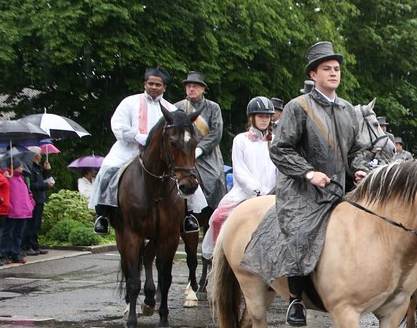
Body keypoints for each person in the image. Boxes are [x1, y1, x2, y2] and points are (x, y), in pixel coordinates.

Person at [241, 41, 371, 326]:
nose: (334, 73)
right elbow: (280, 149)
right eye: (327, 69)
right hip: (301, 190)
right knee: (300, 231)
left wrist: (359, 169)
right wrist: (308, 173)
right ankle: (296, 299)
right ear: (313, 75)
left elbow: (359, 149)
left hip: (339, 187)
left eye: (337, 69)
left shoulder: (349, 110)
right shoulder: (297, 107)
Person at [91, 67, 204, 234]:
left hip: (160, 157)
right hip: (128, 150)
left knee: (188, 177)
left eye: (158, 84)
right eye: (150, 83)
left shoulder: (171, 109)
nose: (154, 87)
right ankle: (103, 215)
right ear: (145, 84)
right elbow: (118, 126)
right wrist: (137, 136)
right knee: (108, 170)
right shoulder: (129, 102)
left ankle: (188, 216)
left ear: (164, 87)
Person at [201, 97, 278, 263]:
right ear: (252, 117)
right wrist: (259, 191)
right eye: (261, 116)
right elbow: (240, 172)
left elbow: (280, 169)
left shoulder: (276, 141)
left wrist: (274, 191)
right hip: (244, 193)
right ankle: (219, 258)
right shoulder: (241, 140)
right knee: (217, 218)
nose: (264, 119)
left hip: (273, 194)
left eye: (267, 116)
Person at [176, 71, 227, 228]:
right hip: (183, 154)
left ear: (202, 89)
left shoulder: (213, 108)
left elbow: (216, 133)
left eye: (195, 86)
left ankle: (216, 218)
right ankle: (186, 215)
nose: (191, 89)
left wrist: (199, 149)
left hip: (208, 154)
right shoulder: (178, 107)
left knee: (216, 181)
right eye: (189, 86)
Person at [1, 158, 35, 264]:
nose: (22, 168)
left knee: (18, 233)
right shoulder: (8, 177)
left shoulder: (22, 178)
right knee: (8, 233)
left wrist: (30, 203)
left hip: (23, 211)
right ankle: (5, 254)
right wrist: (10, 206)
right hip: (12, 211)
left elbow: (26, 192)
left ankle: (16, 253)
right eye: (20, 166)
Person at [23, 147, 54, 256]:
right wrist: (45, 185)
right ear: (36, 155)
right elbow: (31, 185)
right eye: (40, 154)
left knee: (37, 224)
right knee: (31, 224)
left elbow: (41, 179)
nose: (41, 156)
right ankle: (28, 246)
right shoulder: (30, 168)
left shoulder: (38, 168)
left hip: (40, 198)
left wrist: (46, 171)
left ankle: (35, 245)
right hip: (34, 199)